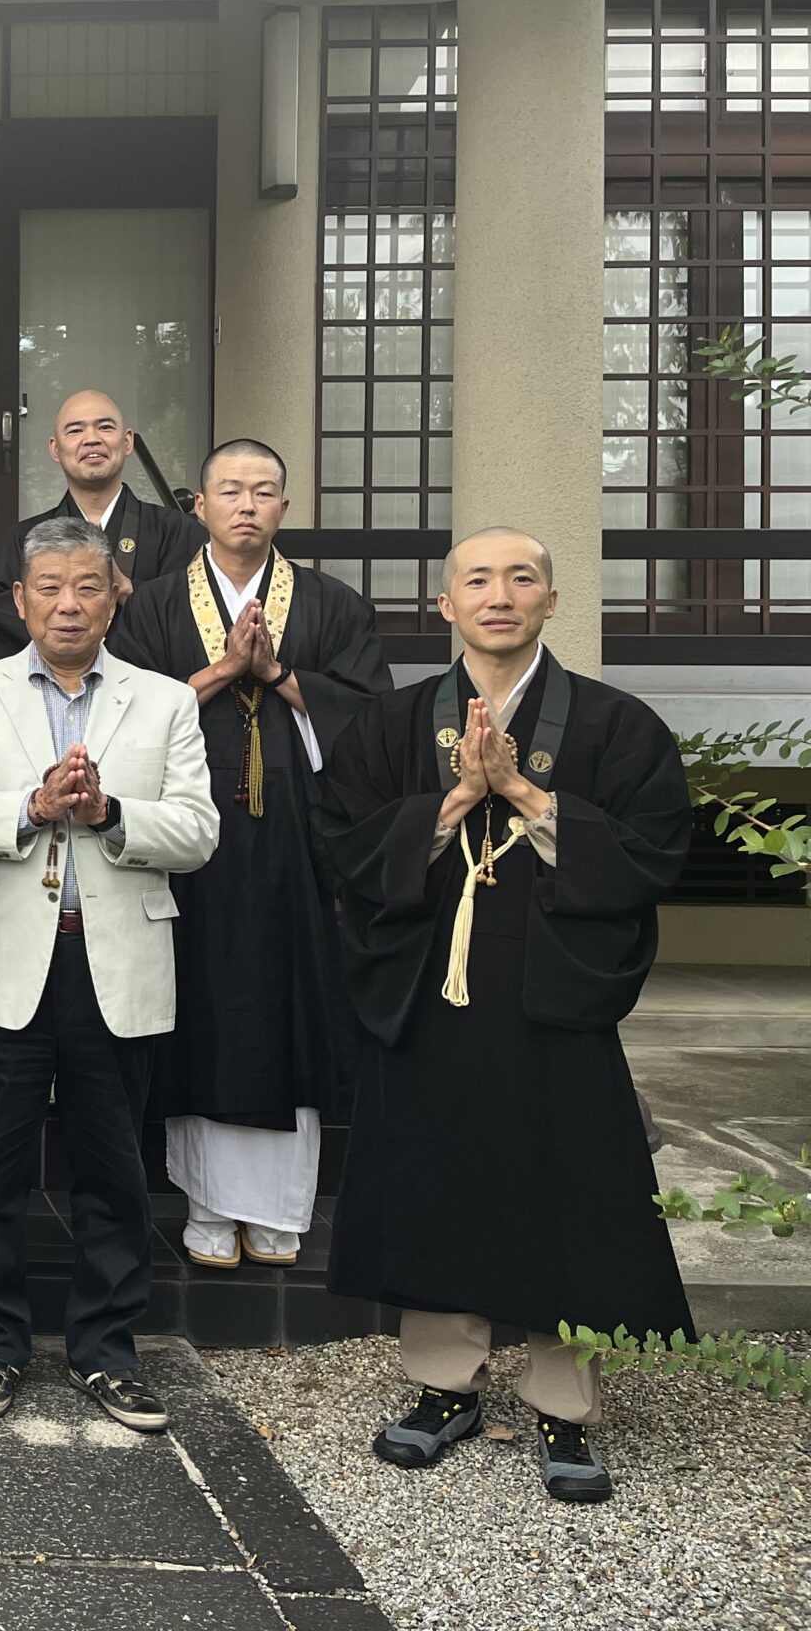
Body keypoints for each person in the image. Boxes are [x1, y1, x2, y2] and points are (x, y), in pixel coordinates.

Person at [317, 529, 692, 1505]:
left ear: (550, 601)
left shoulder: (618, 726)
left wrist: (523, 791)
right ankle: (444, 1386)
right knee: (435, 1176)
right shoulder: (391, 724)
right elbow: (341, 841)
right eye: (476, 579)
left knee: (568, 1185)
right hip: (433, 991)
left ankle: (565, 1404)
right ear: (444, 606)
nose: (499, 594)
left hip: (552, 993)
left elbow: (654, 853)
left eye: (521, 578)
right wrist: (452, 801)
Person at [0, 516, 218, 1433]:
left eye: (87, 586)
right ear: (19, 600)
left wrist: (108, 811)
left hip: (114, 962)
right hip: (0, 962)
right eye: (48, 586)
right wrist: (31, 804)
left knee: (113, 1168)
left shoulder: (165, 701)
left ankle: (107, 1350)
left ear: (115, 597)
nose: (67, 603)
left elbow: (198, 831)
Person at [110, 440, 388, 1268]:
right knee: (199, 998)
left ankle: (277, 1210)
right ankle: (206, 1205)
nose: (246, 505)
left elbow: (370, 723)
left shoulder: (334, 606)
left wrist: (279, 675)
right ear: (199, 505)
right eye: (230, 490)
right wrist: (224, 669)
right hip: (191, 832)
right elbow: (122, 711)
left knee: (288, 1000)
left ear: (284, 508)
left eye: (263, 491)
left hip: (296, 837)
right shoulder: (153, 607)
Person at [0, 391, 207, 653]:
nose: (92, 439)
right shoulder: (20, 541)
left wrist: (128, 590)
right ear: (55, 449)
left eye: (105, 427)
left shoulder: (178, 532)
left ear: (127, 442)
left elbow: (198, 615)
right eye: (75, 431)